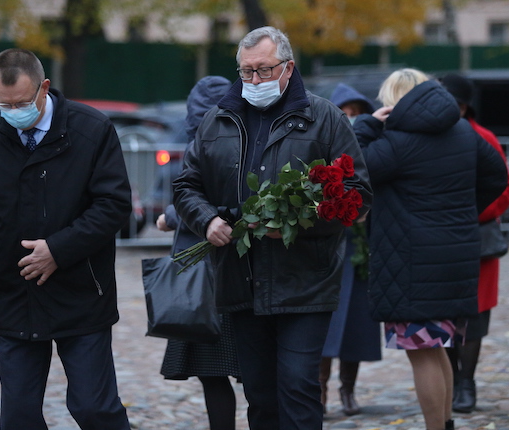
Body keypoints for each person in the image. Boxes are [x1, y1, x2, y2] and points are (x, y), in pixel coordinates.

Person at [172, 26, 372, 430]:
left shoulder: (324, 117)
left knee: (298, 385)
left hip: (305, 279)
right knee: (260, 393)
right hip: (241, 277)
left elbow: (357, 194)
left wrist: (302, 220)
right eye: (246, 72)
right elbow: (186, 184)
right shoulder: (218, 119)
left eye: (263, 70)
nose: (254, 81)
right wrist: (207, 219)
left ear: (287, 67)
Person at [0, 48, 132, 430]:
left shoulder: (91, 129)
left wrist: (58, 249)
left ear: (44, 88)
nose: (14, 113)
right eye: (4, 105)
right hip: (14, 297)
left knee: (94, 409)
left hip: (81, 294)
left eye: (23, 103)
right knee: (19, 418)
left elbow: (114, 205)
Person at [352, 68, 508, 430]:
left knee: (422, 353)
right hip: (455, 257)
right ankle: (447, 423)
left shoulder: (396, 143)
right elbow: (497, 175)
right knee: (438, 349)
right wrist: (464, 212)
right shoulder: (464, 132)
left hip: (411, 264)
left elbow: (356, 169)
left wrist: (365, 125)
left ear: (393, 103)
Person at [156, 75, 241, 430]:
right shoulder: (243, 137)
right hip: (228, 269)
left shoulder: (203, 142)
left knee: (215, 372)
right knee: (245, 369)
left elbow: (201, 197)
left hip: (206, 275)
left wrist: (171, 217)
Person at [439, 73, 509, 414]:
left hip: (477, 238)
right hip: (438, 242)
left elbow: (506, 187)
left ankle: (466, 382)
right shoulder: (430, 137)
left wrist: (470, 214)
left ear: (463, 106)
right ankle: (453, 380)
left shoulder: (483, 138)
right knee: (444, 314)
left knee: (474, 316)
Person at [319, 83, 381, 416]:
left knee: (357, 322)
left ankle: (348, 390)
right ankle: (320, 392)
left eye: (358, 112)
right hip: (330, 242)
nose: (352, 118)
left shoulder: (372, 145)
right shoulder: (321, 139)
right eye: (346, 111)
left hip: (361, 244)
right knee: (325, 322)